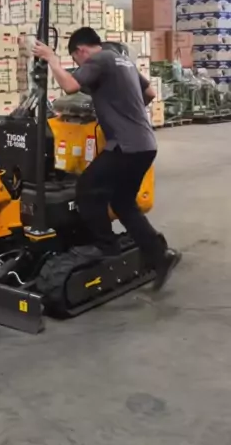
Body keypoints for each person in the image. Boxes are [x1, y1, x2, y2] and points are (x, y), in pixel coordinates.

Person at [32, 27, 181, 291]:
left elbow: (70, 86)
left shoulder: (99, 59)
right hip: (145, 144)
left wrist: (51, 58)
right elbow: (149, 93)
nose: (80, 65)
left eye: (77, 60)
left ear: (81, 50)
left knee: (87, 188)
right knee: (123, 203)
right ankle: (160, 256)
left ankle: (105, 246)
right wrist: (125, 108)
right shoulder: (122, 60)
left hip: (125, 145)